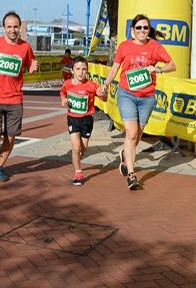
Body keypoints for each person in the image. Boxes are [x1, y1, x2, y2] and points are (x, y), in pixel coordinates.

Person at [101, 14, 176, 190]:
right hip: (127, 94)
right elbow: (115, 68)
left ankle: (125, 154)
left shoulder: (155, 47)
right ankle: (132, 175)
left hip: (147, 97)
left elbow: (172, 65)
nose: (142, 30)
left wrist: (157, 68)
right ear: (133, 30)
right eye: (139, 28)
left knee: (137, 135)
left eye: (145, 28)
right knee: (132, 133)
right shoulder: (125, 46)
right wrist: (105, 84)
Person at [0, 11, 39, 182]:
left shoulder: (25, 47)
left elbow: (31, 65)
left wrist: (34, 67)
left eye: (15, 26)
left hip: (15, 99)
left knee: (10, 137)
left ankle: (0, 167)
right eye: (9, 26)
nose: (13, 30)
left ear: (19, 28)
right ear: (4, 28)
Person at [60, 56, 106, 185]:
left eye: (84, 69)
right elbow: (63, 93)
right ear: (72, 70)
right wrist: (63, 100)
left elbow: (104, 98)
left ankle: (77, 160)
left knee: (82, 149)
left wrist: (103, 93)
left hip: (87, 120)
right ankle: (78, 172)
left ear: (87, 71)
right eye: (78, 69)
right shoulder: (67, 84)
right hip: (73, 119)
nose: (81, 72)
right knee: (75, 148)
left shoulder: (91, 85)